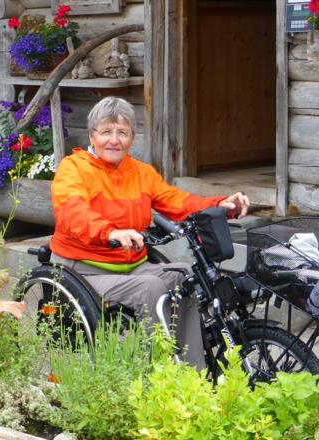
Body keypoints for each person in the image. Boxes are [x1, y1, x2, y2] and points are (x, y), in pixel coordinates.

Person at [50, 96, 250, 368]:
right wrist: (110, 233)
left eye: (122, 132)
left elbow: (176, 201)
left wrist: (220, 204)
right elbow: (73, 212)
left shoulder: (141, 172)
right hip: (84, 270)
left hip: (133, 265)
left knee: (185, 277)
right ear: (92, 135)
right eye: (106, 131)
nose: (114, 140)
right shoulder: (74, 168)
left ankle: (193, 373)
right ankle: (161, 371)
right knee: (151, 287)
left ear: (132, 138)